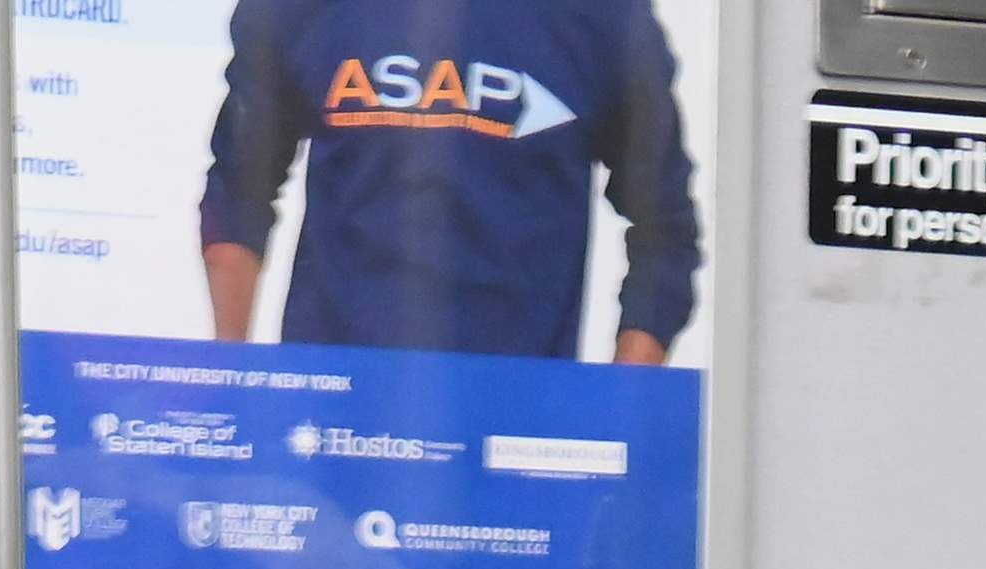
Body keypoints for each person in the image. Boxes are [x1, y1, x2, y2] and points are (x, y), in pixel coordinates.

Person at [200, 0, 703, 361]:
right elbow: (237, 192)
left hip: (516, 429)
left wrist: (618, 423)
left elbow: (666, 236)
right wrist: (234, 383)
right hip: (330, 420)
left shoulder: (604, 18)